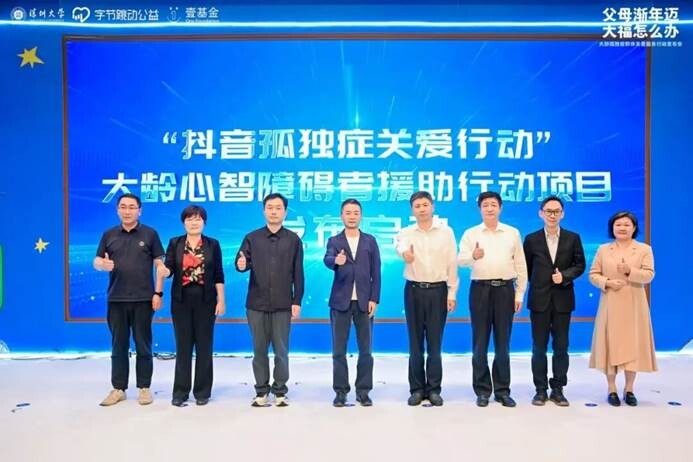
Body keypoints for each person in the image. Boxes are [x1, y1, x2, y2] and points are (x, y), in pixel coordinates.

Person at [93, 193, 166, 406]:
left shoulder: (150, 234)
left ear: (139, 211)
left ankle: (144, 388)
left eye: (132, 207)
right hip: (116, 298)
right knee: (118, 346)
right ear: (117, 210)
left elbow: (159, 263)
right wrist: (101, 265)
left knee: (143, 345)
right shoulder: (109, 235)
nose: (127, 211)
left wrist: (158, 291)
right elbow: (97, 260)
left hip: (143, 299)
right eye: (123, 207)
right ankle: (118, 388)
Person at [458, 191, 527, 408]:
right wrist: (473, 256)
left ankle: (502, 391)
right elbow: (460, 260)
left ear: (500, 208)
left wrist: (519, 293)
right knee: (480, 343)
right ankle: (482, 390)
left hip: (505, 290)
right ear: (480, 209)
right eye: (485, 205)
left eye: (493, 204)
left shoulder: (512, 233)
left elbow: (521, 265)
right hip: (480, 290)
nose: (489, 208)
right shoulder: (471, 234)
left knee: (503, 343)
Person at [235, 193, 304, 407]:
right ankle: (261, 390)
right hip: (256, 304)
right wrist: (241, 265)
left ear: (285, 212)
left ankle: (280, 390)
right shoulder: (252, 238)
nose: (274, 211)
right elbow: (241, 262)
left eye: (278, 208)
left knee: (281, 351)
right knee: (259, 350)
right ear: (264, 210)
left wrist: (297, 300)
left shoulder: (293, 240)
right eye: (270, 207)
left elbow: (298, 273)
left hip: (283, 304)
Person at [157, 205, 225, 407]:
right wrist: (164, 271)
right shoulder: (175, 243)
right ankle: (180, 391)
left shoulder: (213, 244)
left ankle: (202, 392)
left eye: (197, 219)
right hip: (181, 300)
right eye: (189, 219)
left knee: (204, 346)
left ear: (204, 222)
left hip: (206, 300)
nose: (193, 223)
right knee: (183, 346)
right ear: (183, 222)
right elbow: (169, 268)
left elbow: (218, 274)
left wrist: (221, 300)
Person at [395, 191, 458, 407]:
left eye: (425, 205)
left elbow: (452, 263)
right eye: (417, 206)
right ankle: (416, 389)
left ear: (432, 206)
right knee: (415, 343)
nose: (421, 209)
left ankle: (433, 389)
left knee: (434, 343)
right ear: (412, 210)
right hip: (413, 290)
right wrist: (406, 255)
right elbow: (400, 247)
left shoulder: (446, 232)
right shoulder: (406, 232)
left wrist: (452, 292)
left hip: (438, 291)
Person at [588, 211, 656, 406]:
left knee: (632, 345)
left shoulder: (644, 249)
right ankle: (611, 389)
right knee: (610, 345)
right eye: (618, 224)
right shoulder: (604, 249)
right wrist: (607, 282)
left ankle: (629, 389)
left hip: (635, 304)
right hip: (610, 302)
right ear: (612, 228)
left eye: (626, 224)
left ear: (634, 228)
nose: (622, 228)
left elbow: (649, 275)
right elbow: (593, 274)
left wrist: (630, 271)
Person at [523, 195, 585, 406]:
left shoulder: (572, 238)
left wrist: (564, 276)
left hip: (563, 299)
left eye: (556, 211)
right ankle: (540, 389)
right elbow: (526, 268)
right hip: (539, 300)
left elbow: (580, 265)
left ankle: (558, 389)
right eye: (548, 211)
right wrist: (540, 283)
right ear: (541, 213)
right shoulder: (531, 239)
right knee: (538, 348)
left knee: (561, 347)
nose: (552, 215)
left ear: (562, 214)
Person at [324, 199, 381, 407]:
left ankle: (363, 391)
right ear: (341, 216)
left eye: (356, 212)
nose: (352, 216)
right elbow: (327, 259)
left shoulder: (370, 241)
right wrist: (335, 261)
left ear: (361, 215)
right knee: (339, 350)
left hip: (364, 303)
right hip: (340, 302)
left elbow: (376, 272)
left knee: (366, 350)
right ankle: (340, 392)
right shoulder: (334, 240)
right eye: (348, 212)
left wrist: (374, 298)